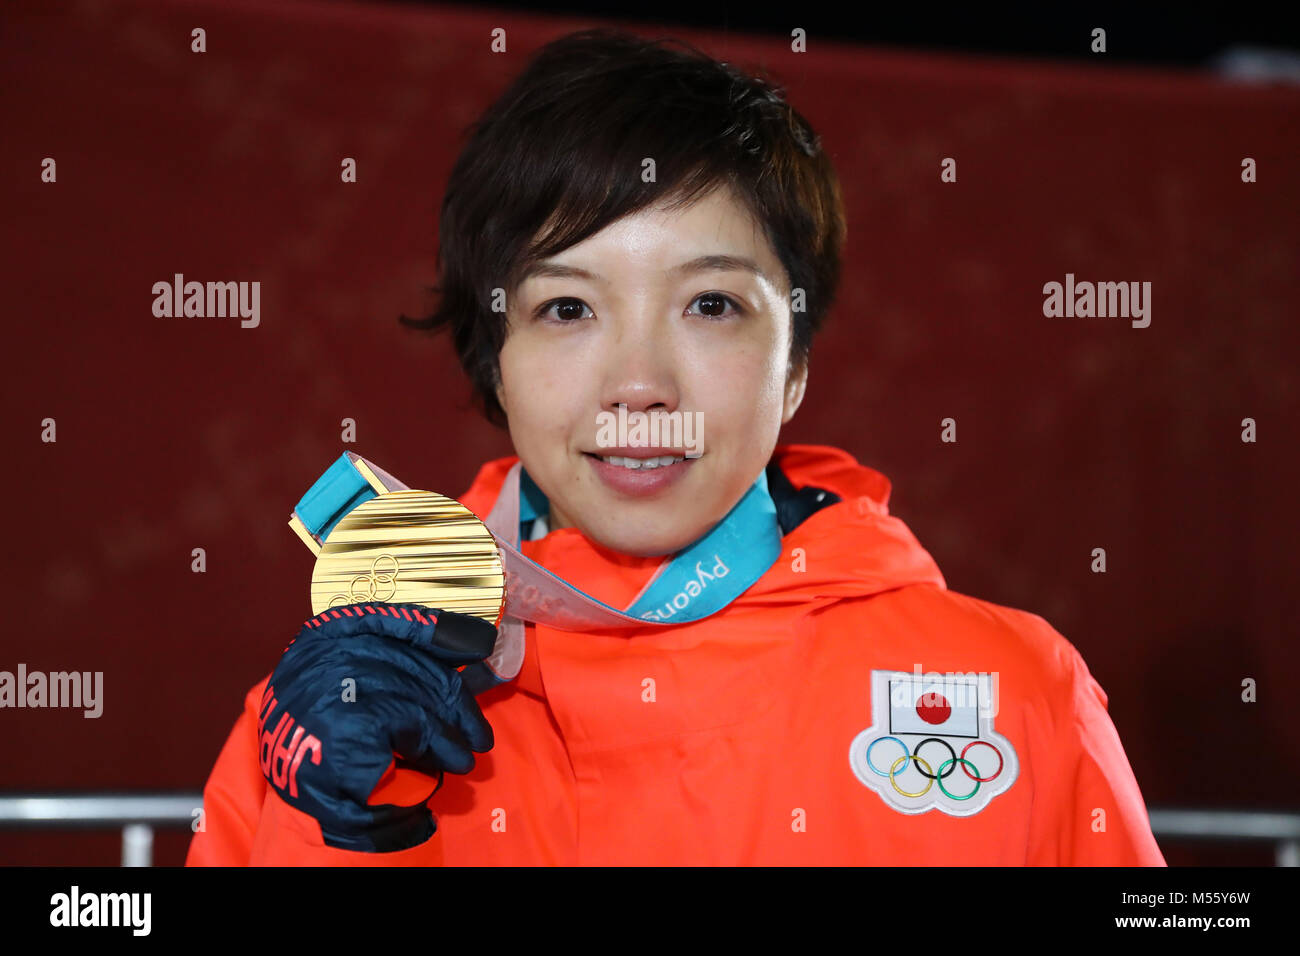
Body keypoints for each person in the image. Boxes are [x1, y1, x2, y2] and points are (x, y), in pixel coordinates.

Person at [186, 27, 1165, 866]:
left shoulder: (1012, 693)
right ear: (495, 363)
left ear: (795, 366)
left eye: (709, 304)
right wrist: (306, 827)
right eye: (567, 307)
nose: (639, 381)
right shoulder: (336, 709)